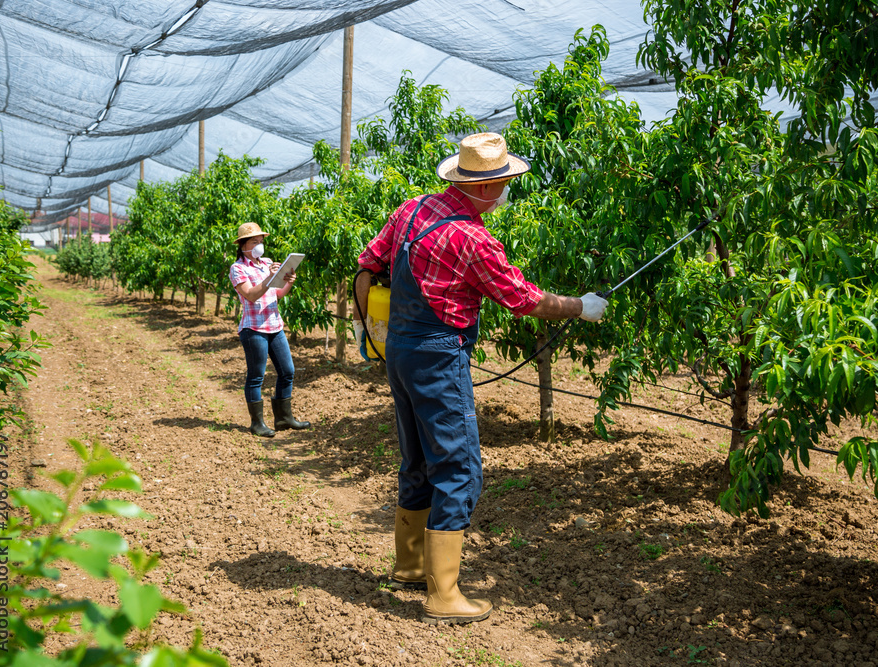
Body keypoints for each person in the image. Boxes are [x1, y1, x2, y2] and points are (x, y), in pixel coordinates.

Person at [354, 133, 608, 625]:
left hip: (400, 350)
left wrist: (371, 334)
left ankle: (410, 565)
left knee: (417, 458)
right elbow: (525, 300)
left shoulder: (411, 209)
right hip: (437, 356)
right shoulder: (473, 239)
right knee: (459, 467)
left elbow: (366, 269)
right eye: (506, 181)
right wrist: (580, 306)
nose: (508, 189)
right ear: (488, 187)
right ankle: (444, 595)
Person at [229, 222, 310, 438]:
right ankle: (257, 423)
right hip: (254, 329)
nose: (259, 245)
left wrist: (288, 281)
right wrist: (269, 277)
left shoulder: (266, 263)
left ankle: (284, 418)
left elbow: (277, 293)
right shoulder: (238, 268)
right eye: (254, 242)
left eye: (261, 241)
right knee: (256, 376)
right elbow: (251, 294)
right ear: (243, 245)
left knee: (287, 371)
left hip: (275, 325)